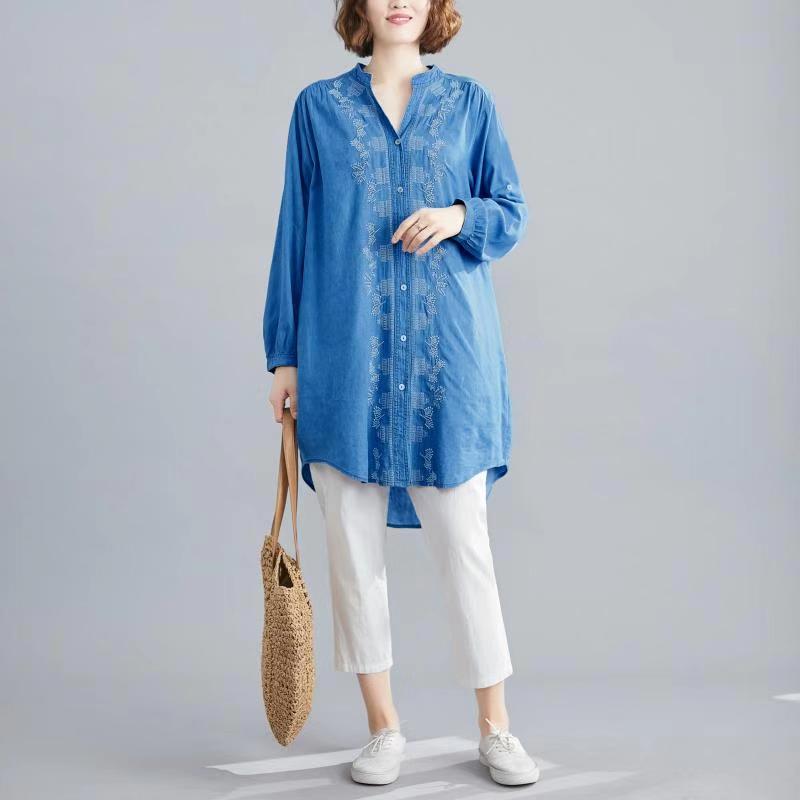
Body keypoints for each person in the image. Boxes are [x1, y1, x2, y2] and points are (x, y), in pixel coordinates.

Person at [262, 0, 538, 787]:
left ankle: (496, 728)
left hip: (449, 357)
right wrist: (284, 356)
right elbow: (294, 231)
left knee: (465, 545)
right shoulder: (318, 109)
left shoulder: (469, 104)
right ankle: (384, 728)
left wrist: (456, 216)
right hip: (344, 357)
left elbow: (510, 212)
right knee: (351, 548)